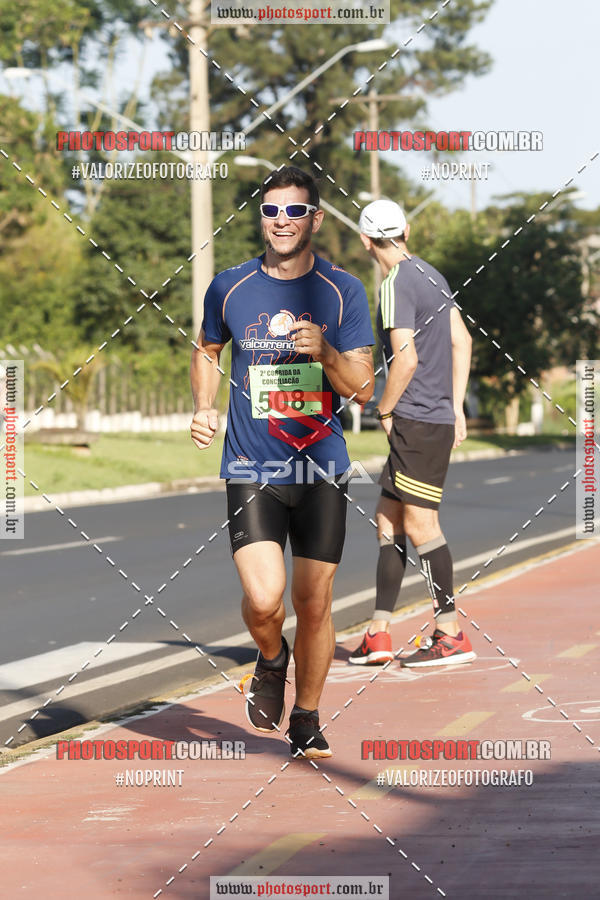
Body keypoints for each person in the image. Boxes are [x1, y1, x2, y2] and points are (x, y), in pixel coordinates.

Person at [190, 166, 374, 757]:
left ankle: (308, 715)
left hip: (321, 467)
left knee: (313, 602)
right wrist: (203, 405)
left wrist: (324, 352)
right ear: (261, 217)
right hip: (252, 465)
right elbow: (208, 349)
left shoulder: (344, 291)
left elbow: (364, 389)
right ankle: (272, 658)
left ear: (315, 219)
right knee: (266, 600)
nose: (282, 221)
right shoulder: (229, 287)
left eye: (295, 211)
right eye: (272, 211)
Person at [349, 198, 475, 668]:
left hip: (417, 420)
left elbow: (406, 360)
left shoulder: (395, 283)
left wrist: (385, 409)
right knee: (388, 521)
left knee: (422, 525)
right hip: (432, 415)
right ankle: (379, 633)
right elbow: (462, 340)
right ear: (406, 232)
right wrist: (456, 404)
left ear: (366, 240)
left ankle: (450, 632)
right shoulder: (432, 275)